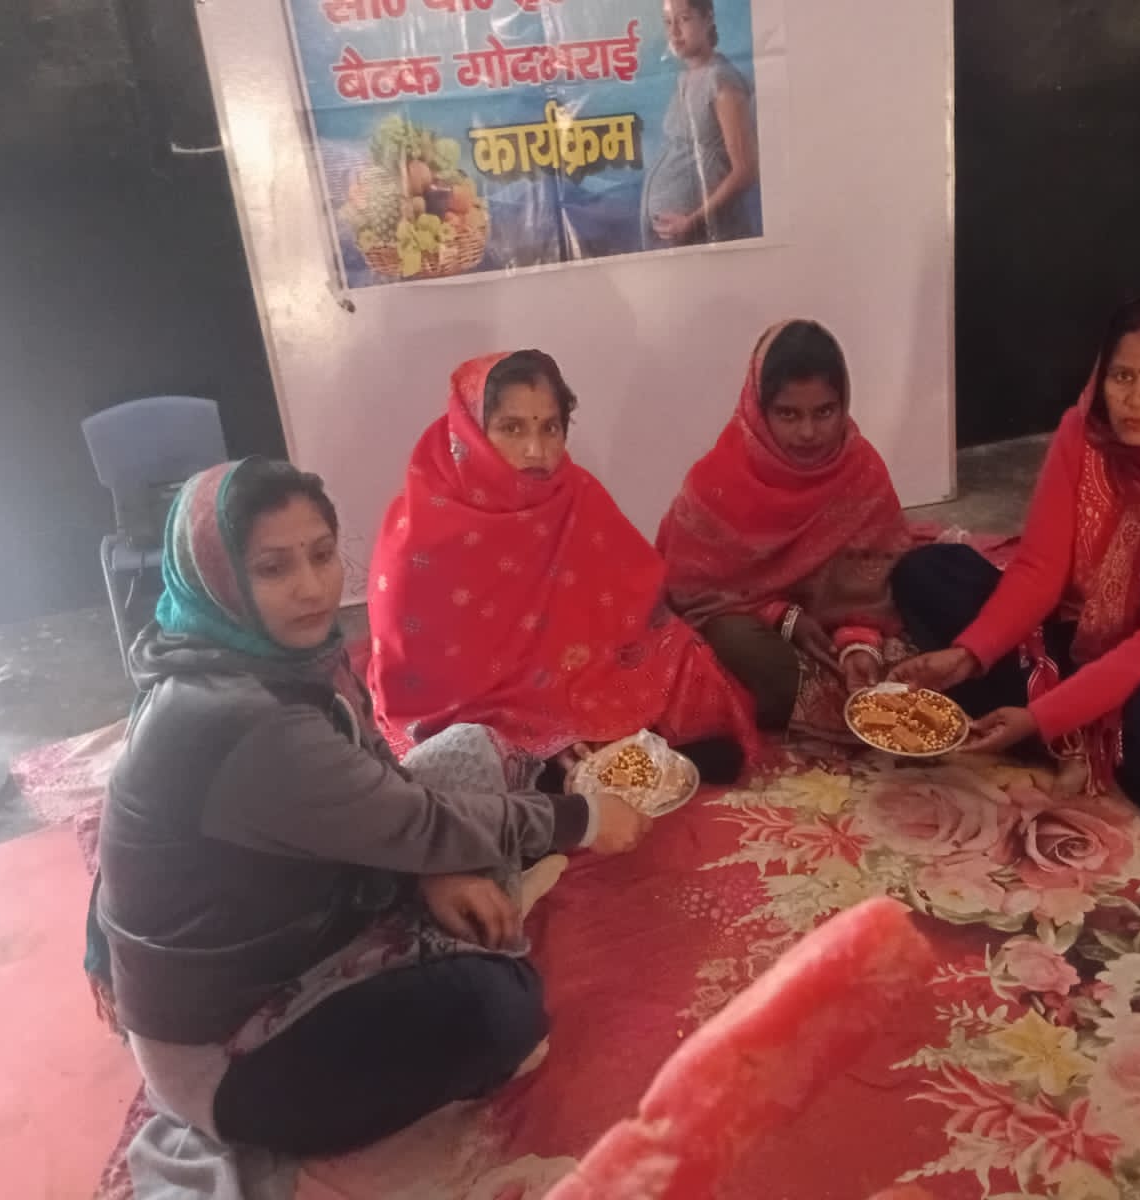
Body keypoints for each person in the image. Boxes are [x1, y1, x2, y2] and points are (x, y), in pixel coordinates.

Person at [90, 457, 650, 1158]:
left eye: (323, 555)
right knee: (501, 1008)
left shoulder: (261, 656)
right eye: (272, 568)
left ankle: (457, 894)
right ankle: (463, 925)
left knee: (467, 748)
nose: (312, 588)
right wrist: (583, 820)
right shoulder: (241, 718)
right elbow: (414, 820)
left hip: (307, 899)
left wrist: (431, 869)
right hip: (234, 1047)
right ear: (218, 579)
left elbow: (381, 779)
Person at [889, 297, 1140, 827]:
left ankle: (1072, 732)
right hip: (1066, 637)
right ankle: (1071, 728)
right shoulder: (1084, 434)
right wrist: (969, 655)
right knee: (928, 574)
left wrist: (1040, 717)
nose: (1136, 398)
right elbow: (1038, 571)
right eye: (1122, 376)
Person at [367, 350, 757, 778]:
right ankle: (562, 771)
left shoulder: (575, 494)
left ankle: (587, 765)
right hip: (484, 710)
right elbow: (425, 687)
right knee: (468, 758)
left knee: (686, 658)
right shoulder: (421, 531)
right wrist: (553, 732)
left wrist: (590, 704)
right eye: (512, 428)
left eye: (550, 428)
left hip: (579, 679)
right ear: (471, 430)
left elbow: (634, 606)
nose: (536, 450)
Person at [657, 320, 928, 737]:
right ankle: (817, 707)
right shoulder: (716, 482)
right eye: (788, 414)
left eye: (825, 412)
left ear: (844, 404)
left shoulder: (861, 470)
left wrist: (859, 639)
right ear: (758, 409)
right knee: (738, 648)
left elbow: (874, 578)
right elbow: (690, 592)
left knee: (930, 614)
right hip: (753, 627)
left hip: (835, 631)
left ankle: (845, 696)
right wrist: (780, 615)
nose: (808, 433)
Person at [643, 0, 759, 248]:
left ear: (708, 18)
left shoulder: (721, 79)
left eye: (684, 19)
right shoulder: (685, 77)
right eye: (668, 22)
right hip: (677, 238)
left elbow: (746, 170)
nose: (674, 32)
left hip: (706, 234)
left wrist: (693, 221)